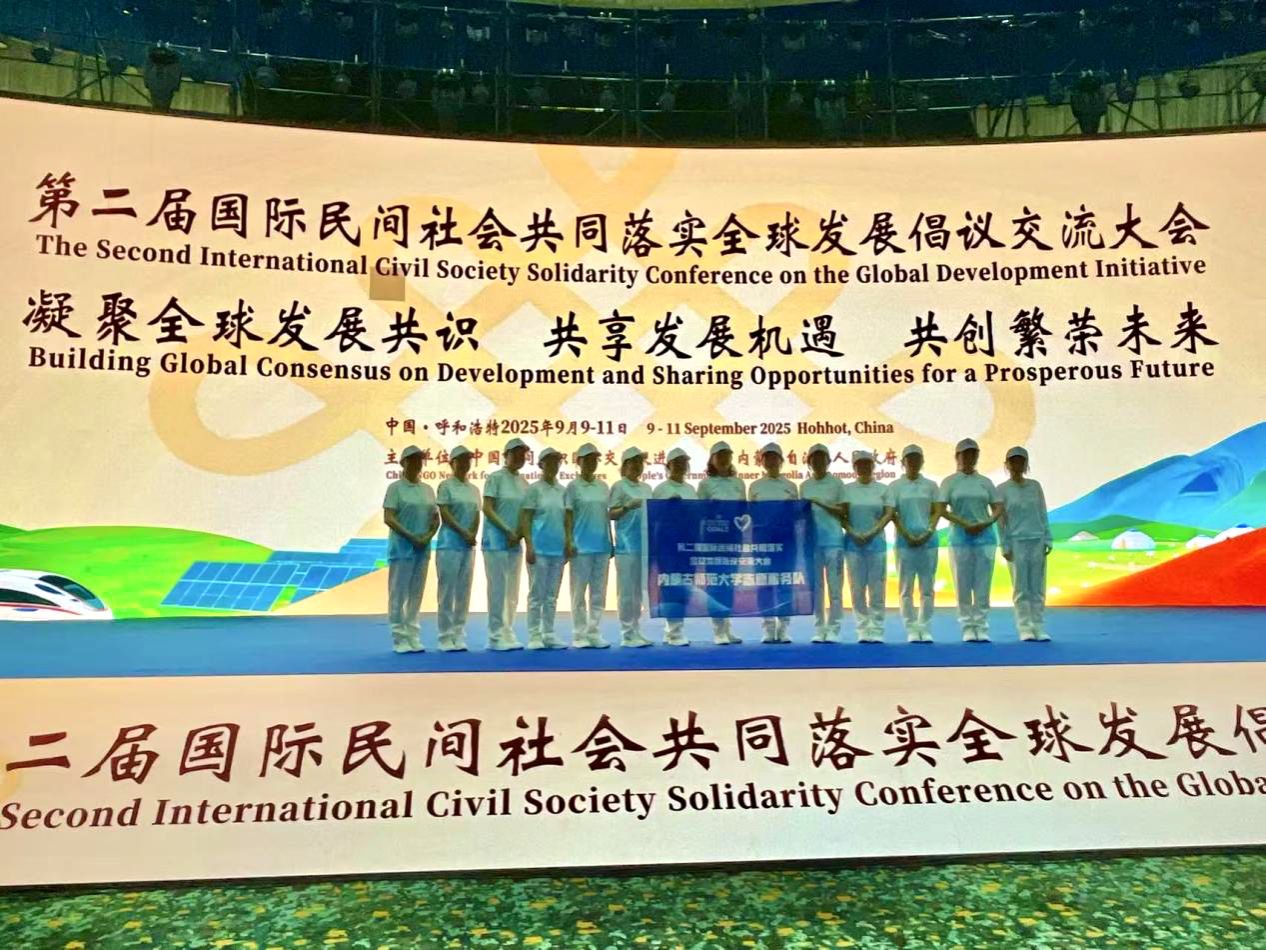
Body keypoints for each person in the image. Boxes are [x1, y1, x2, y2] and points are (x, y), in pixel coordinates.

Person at [938, 438, 1003, 643]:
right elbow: (941, 509)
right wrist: (963, 523)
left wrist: (987, 522)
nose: (969, 457)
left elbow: (998, 507)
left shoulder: (985, 482)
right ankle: (967, 626)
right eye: (965, 454)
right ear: (957, 456)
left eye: (973, 453)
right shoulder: (949, 482)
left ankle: (981, 626)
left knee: (983, 585)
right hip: (960, 539)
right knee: (963, 585)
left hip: (985, 539)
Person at [383, 444, 439, 653]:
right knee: (398, 594)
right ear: (403, 463)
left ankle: (413, 635)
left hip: (422, 549)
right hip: (401, 549)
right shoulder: (395, 488)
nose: (417, 464)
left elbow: (435, 519)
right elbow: (389, 517)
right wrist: (411, 536)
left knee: (416, 594)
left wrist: (426, 537)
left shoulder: (427, 490)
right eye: (412, 460)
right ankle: (399, 637)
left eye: (419, 460)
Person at [998, 446, 1053, 642]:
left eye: (1021, 461)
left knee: (1037, 586)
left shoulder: (1035, 486)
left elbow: (1042, 512)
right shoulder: (1002, 490)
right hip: (1016, 542)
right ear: (1007, 464)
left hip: (1037, 539)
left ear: (1026, 464)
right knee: (1021, 587)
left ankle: (1038, 625)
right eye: (1013, 461)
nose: (1017, 465)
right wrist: (1004, 544)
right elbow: (1001, 521)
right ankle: (1024, 627)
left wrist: (1047, 537)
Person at [888, 444, 940, 644]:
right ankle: (911, 628)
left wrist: (928, 532)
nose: (913, 462)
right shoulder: (895, 486)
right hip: (905, 543)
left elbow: (936, 511)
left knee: (927, 588)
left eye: (917, 459)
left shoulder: (931, 485)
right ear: (903, 462)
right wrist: (907, 534)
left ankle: (924, 627)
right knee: (906, 589)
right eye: (909, 459)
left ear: (922, 461)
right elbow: (893, 514)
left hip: (928, 543)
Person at [482, 437, 530, 651]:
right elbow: (487, 508)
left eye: (523, 454)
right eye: (515, 454)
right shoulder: (495, 478)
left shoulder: (524, 483)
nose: (519, 457)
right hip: (496, 542)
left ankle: (507, 631)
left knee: (512, 591)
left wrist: (518, 532)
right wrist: (506, 530)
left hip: (515, 543)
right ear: (506, 455)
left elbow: (526, 513)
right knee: (498, 590)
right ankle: (495, 636)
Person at [748, 442, 799, 643]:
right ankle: (768, 627)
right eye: (767, 458)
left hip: (787, 542)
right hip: (763, 543)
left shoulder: (791, 486)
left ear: (781, 460)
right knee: (764, 584)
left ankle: (783, 628)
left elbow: (797, 515)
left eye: (774, 457)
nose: (771, 461)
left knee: (785, 583)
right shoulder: (755, 486)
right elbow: (751, 515)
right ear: (761, 461)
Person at [697, 440, 745, 646]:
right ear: (712, 460)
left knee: (728, 582)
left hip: (733, 540)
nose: (724, 459)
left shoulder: (738, 483)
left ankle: (727, 627)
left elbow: (744, 511)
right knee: (716, 583)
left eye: (727, 455)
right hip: (713, 540)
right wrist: (712, 508)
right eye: (720, 456)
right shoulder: (705, 484)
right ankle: (718, 629)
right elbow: (699, 512)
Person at [564, 443, 612, 649]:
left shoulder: (603, 487)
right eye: (587, 459)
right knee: (578, 593)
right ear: (579, 461)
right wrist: (569, 540)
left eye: (594, 459)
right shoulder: (573, 487)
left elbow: (606, 516)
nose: (592, 463)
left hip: (602, 546)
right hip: (580, 548)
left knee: (598, 593)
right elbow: (568, 516)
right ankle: (579, 633)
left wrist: (611, 542)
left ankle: (594, 632)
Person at [520, 447, 568, 650]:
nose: (553, 465)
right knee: (536, 594)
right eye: (549, 462)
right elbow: (526, 518)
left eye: (556, 462)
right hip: (539, 550)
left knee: (551, 595)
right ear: (541, 464)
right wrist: (529, 545)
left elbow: (567, 520)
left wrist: (567, 543)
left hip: (558, 550)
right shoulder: (534, 490)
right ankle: (534, 635)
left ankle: (548, 633)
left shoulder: (563, 491)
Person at [842, 450, 891, 643]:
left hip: (876, 544)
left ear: (873, 465)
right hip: (853, 545)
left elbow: (888, 514)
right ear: (854, 467)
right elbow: (842, 516)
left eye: (867, 464)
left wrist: (873, 532)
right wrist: (853, 532)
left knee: (877, 588)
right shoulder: (847, 490)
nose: (864, 467)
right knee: (857, 588)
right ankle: (863, 628)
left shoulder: (883, 489)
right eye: (860, 464)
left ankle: (877, 628)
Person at [800, 443, 847, 644]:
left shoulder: (837, 484)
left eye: (822, 458)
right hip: (812, 543)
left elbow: (843, 511)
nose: (818, 462)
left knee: (835, 589)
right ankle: (820, 628)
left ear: (828, 461)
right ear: (809, 462)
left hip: (834, 542)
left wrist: (820, 503)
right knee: (816, 589)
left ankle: (834, 629)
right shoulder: (804, 486)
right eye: (814, 458)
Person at [435, 444, 480, 652]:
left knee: (463, 591)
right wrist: (463, 532)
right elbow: (445, 514)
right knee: (447, 591)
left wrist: (472, 534)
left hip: (467, 547)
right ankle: (445, 636)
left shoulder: (474, 489)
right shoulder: (446, 486)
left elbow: (477, 514)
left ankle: (459, 634)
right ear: (452, 463)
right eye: (460, 460)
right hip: (449, 545)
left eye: (467, 460)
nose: (464, 464)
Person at [609, 447, 654, 647]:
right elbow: (611, 514)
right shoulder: (619, 486)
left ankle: (636, 629)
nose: (637, 466)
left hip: (644, 547)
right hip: (626, 547)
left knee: (639, 592)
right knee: (626, 592)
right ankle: (627, 633)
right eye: (633, 462)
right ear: (625, 465)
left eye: (639, 462)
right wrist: (627, 506)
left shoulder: (646, 488)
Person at [652, 447, 696, 646]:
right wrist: (667, 506)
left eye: (684, 462)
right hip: (668, 546)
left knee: (685, 586)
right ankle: (673, 630)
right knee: (670, 586)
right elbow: (653, 518)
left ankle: (676, 628)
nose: (681, 466)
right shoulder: (661, 489)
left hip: (689, 545)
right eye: (677, 462)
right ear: (668, 466)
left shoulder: (691, 490)